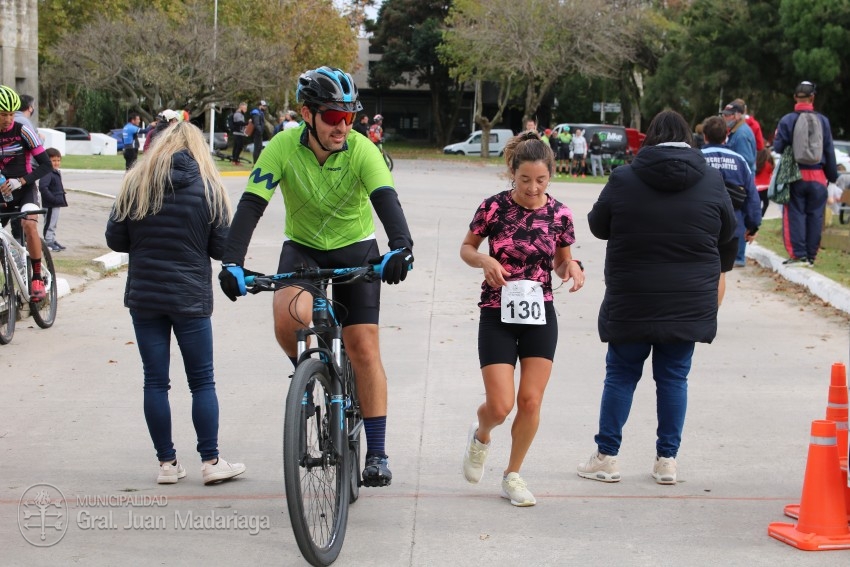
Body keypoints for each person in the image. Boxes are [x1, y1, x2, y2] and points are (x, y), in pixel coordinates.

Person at [218, 66, 414, 488]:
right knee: (287, 317)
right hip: (303, 248)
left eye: (350, 117)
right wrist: (231, 262)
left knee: (363, 346)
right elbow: (252, 204)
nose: (343, 126)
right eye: (332, 117)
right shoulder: (281, 147)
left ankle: (377, 451)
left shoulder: (363, 150)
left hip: (356, 248)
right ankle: (308, 375)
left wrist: (400, 248)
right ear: (307, 114)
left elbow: (387, 200)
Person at [576, 110, 736, 486]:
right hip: (687, 301)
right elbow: (728, 230)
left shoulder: (623, 177)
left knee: (620, 376)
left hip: (632, 297)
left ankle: (607, 457)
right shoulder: (712, 181)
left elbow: (598, 226)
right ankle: (667, 460)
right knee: (674, 379)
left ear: (649, 139)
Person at [105, 121, 246, 486]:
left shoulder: (137, 183)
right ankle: (211, 461)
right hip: (189, 298)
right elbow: (221, 247)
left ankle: (167, 463)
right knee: (202, 381)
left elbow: (115, 239)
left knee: (155, 381)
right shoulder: (209, 188)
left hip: (146, 297)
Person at [460, 130, 584, 507]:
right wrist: (484, 260)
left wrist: (573, 268)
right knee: (500, 405)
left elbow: (563, 258)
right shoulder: (493, 208)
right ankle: (481, 435)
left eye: (541, 180)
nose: (533, 188)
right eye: (525, 179)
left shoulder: (560, 213)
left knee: (530, 401)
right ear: (512, 172)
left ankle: (512, 475)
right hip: (497, 311)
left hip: (540, 311)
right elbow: (467, 248)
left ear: (551, 176)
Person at [772, 81, 838, 266]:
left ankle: (798, 254)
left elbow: (778, 146)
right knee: (816, 216)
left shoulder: (787, 120)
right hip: (818, 176)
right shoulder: (823, 121)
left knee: (795, 214)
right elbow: (829, 150)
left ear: (795, 97)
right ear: (813, 97)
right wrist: (832, 177)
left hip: (796, 176)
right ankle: (811, 256)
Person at [0, 85, 53, 301]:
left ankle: (37, 277)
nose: (8, 119)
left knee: (29, 224)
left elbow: (46, 165)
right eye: (3, 114)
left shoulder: (22, 129)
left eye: (11, 114)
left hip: (26, 189)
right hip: (2, 193)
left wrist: (20, 181)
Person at [701, 115, 761, 270]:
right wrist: (753, 226)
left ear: (704, 136)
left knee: (701, 273)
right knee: (721, 273)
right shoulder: (740, 161)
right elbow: (752, 197)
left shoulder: (697, 158)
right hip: (732, 228)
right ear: (726, 135)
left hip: (701, 227)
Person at [38, 147, 68, 252]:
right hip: (50, 204)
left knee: (54, 223)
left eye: (58, 160)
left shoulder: (55, 172)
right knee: (49, 223)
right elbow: (42, 187)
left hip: (56, 203)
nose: (56, 163)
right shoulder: (47, 173)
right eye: (53, 160)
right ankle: (48, 242)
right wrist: (52, 199)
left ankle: (53, 239)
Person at [721, 102, 756, 173]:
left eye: (727, 115)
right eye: (723, 114)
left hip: (741, 180)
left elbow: (746, 161)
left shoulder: (741, 134)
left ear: (738, 115)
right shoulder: (738, 131)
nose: (724, 117)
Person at [754, 147, 774, 217]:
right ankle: (761, 215)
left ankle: (756, 216)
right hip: (765, 188)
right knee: (766, 204)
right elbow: (772, 172)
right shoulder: (768, 165)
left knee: (757, 204)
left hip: (756, 188)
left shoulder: (756, 165)